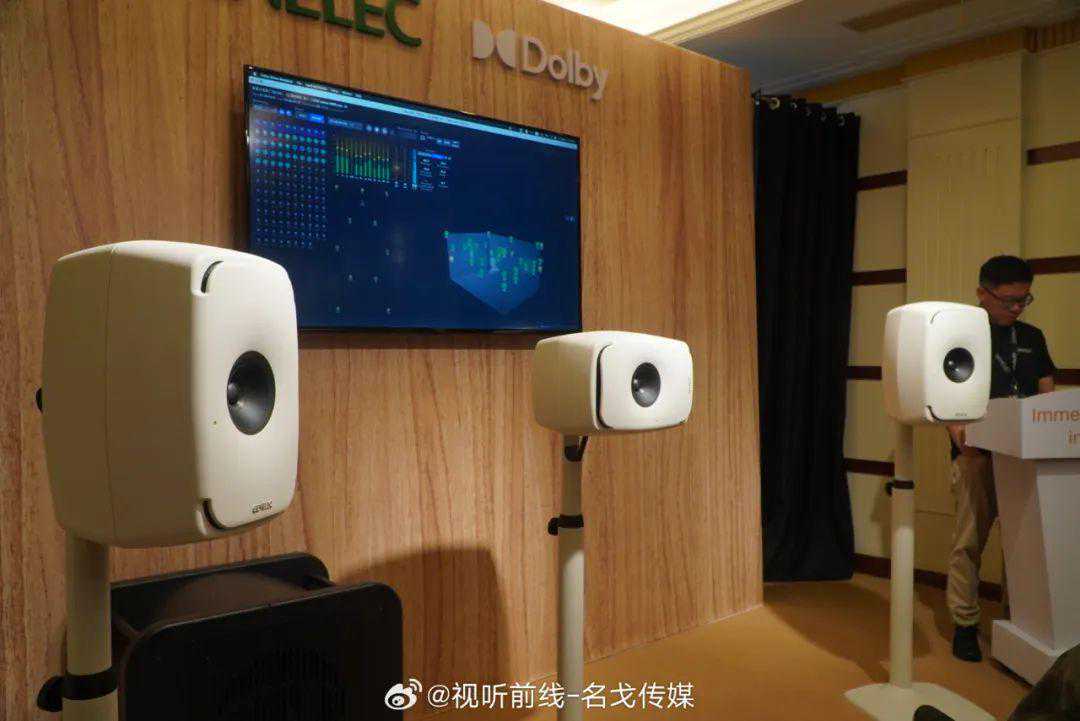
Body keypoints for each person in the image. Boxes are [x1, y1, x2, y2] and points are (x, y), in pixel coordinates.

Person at [947, 255, 1056, 662]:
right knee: (969, 543)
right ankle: (964, 623)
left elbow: (1047, 395)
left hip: (1025, 458)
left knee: (1024, 546)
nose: (1016, 308)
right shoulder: (960, 335)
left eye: (1024, 300)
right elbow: (948, 393)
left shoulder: (1033, 336)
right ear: (982, 293)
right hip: (977, 457)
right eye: (1009, 300)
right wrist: (959, 435)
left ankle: (1019, 623)